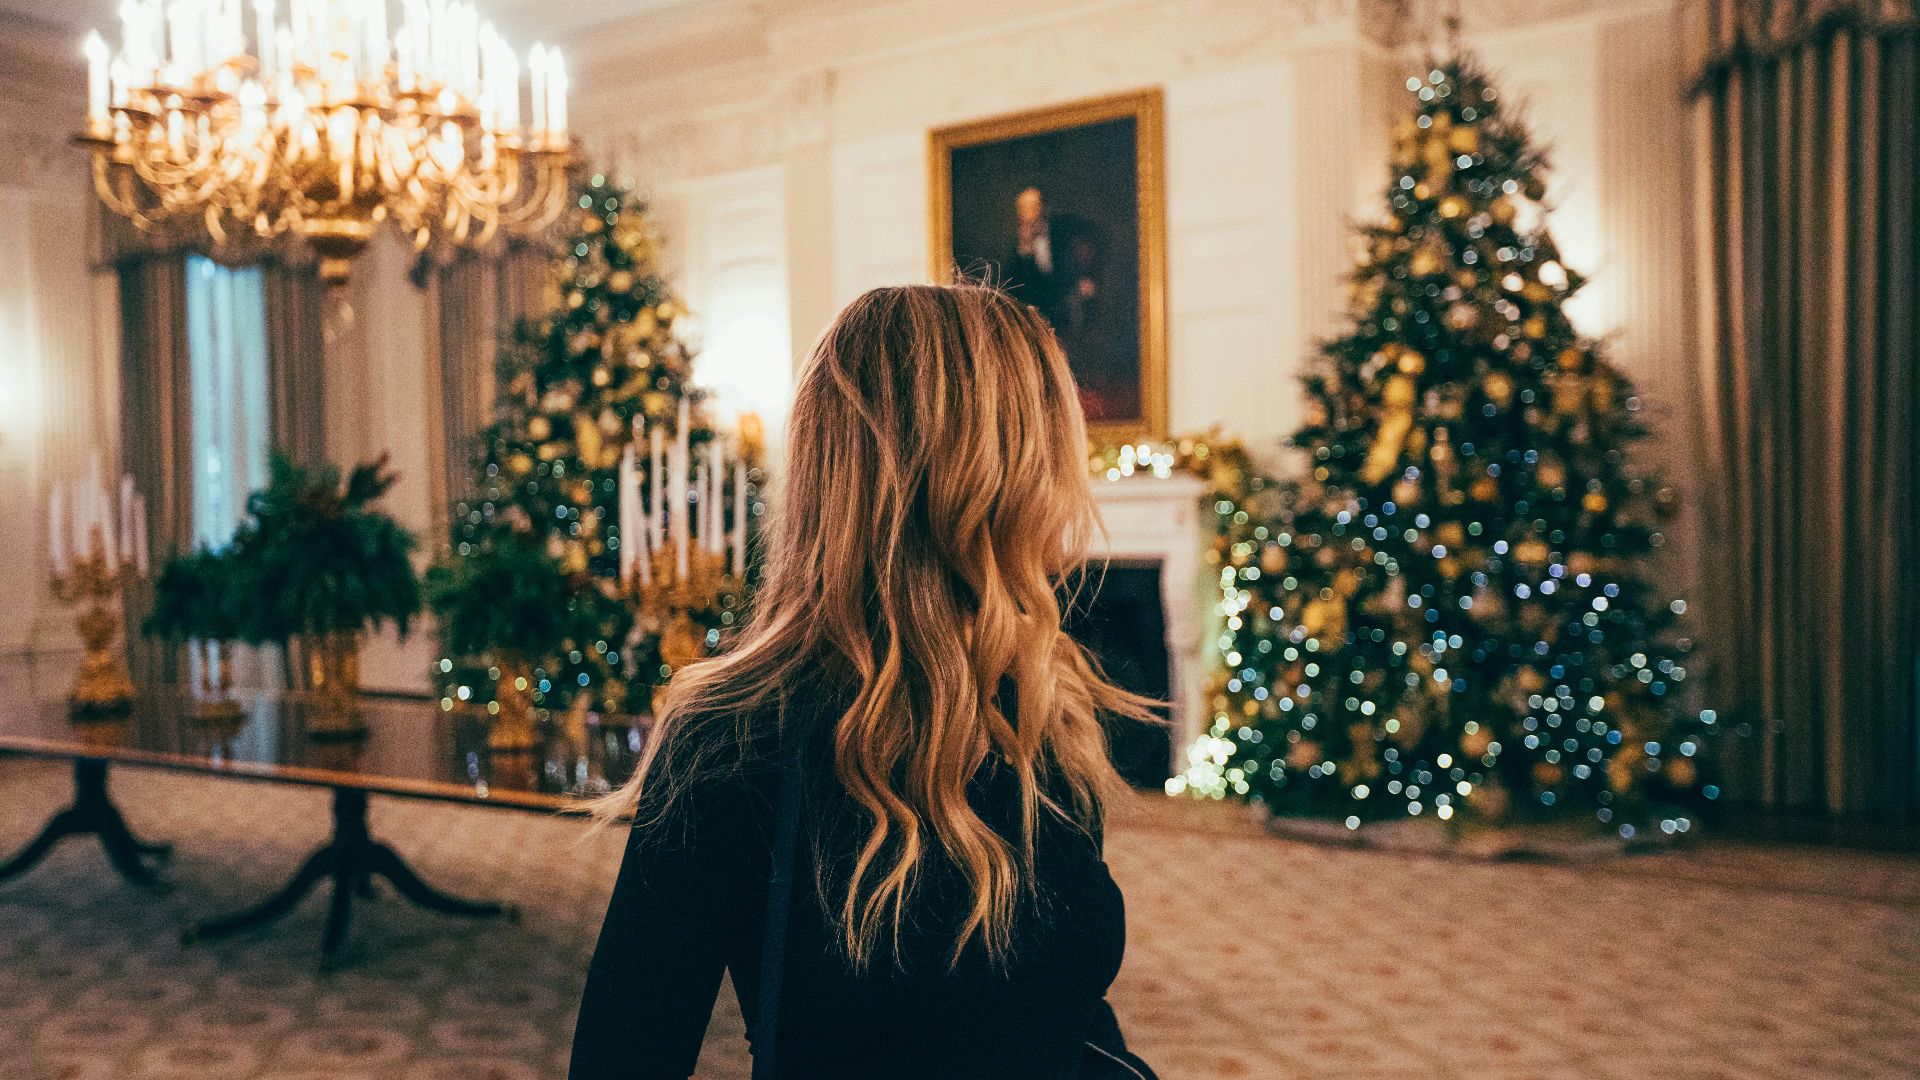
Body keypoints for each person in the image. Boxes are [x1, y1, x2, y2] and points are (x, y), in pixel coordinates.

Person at [570, 284, 1159, 1080]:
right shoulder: (734, 735)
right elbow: (624, 1058)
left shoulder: (1043, 701)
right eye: (1054, 448)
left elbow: (1062, 999)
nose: (1070, 488)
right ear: (989, 476)